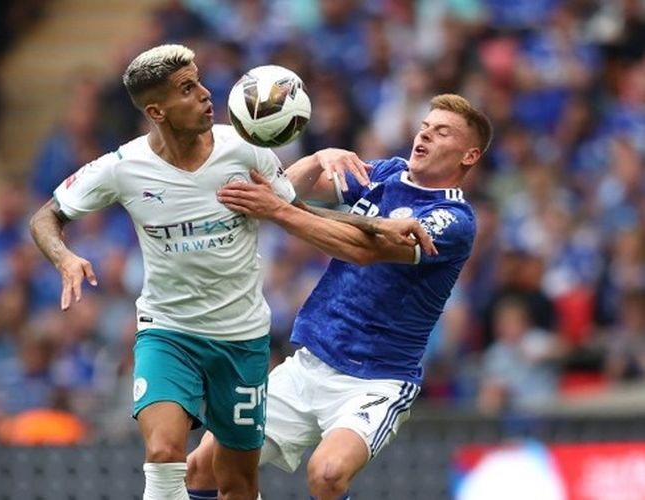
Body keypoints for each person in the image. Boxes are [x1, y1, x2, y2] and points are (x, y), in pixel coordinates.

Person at [28, 44, 433, 500]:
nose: (205, 94)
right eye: (188, 89)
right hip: (168, 331)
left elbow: (298, 212)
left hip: (240, 340)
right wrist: (65, 257)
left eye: (200, 81)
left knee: (237, 483)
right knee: (164, 454)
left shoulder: (244, 151)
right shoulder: (122, 168)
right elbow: (45, 217)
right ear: (157, 111)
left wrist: (377, 224)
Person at [186, 94, 493, 500]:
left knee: (328, 474)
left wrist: (280, 212)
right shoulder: (386, 174)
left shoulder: (454, 220)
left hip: (375, 379)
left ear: (468, 155)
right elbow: (280, 192)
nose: (425, 135)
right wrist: (317, 159)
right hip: (309, 363)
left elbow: (364, 250)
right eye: (425, 127)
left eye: (442, 132)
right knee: (202, 466)